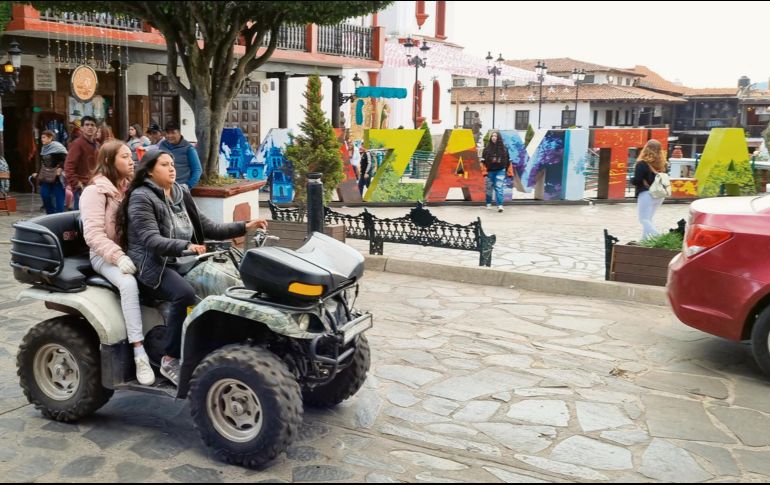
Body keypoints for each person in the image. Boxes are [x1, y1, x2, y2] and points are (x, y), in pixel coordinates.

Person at [118, 149, 267, 385]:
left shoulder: (180, 192)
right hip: (153, 264)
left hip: (183, 259)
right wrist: (185, 246)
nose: (171, 168)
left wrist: (245, 226)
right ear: (149, 171)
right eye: (164, 165)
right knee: (184, 293)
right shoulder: (141, 197)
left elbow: (208, 227)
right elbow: (150, 240)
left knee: (227, 279)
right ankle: (170, 357)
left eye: (172, 164)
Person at [80, 140, 155, 385]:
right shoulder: (95, 192)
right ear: (109, 161)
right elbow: (92, 235)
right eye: (124, 156)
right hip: (104, 256)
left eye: (130, 155)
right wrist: (117, 256)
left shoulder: (128, 188)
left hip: (132, 251)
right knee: (128, 284)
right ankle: (139, 351)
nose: (131, 160)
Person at [632, 139, 668, 240]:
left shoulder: (641, 164)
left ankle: (658, 236)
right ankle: (644, 240)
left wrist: (632, 180)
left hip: (646, 194)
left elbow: (637, 180)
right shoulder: (664, 164)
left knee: (643, 219)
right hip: (660, 195)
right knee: (649, 219)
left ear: (646, 148)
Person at [64, 116, 100, 210]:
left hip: (95, 185)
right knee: (80, 217)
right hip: (82, 187)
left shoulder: (97, 145)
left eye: (92, 125)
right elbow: (68, 167)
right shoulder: (77, 144)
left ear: (96, 128)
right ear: (82, 128)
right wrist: (77, 185)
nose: (90, 127)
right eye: (87, 125)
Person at [159, 121, 202, 189]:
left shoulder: (189, 149)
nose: (169, 136)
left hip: (180, 188)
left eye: (173, 133)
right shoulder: (162, 145)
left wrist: (188, 186)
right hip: (163, 187)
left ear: (179, 133)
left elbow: (197, 170)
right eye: (167, 133)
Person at [33, 130, 67, 214]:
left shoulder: (58, 147)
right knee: (44, 194)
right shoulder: (44, 148)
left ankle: (60, 219)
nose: (42, 139)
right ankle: (50, 215)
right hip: (46, 176)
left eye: (44, 137)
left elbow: (67, 159)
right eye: (41, 137)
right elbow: (43, 164)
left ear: (50, 138)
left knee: (59, 201)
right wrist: (37, 173)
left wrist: (60, 168)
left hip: (57, 178)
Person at [481, 131, 511, 212]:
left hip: (500, 171)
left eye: (495, 136)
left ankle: (500, 205)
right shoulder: (486, 149)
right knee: (489, 188)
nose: (494, 137)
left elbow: (507, 160)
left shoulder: (504, 149)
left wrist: (505, 169)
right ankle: (488, 203)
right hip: (490, 171)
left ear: (499, 138)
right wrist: (485, 170)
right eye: (492, 136)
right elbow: (483, 161)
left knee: (499, 187)